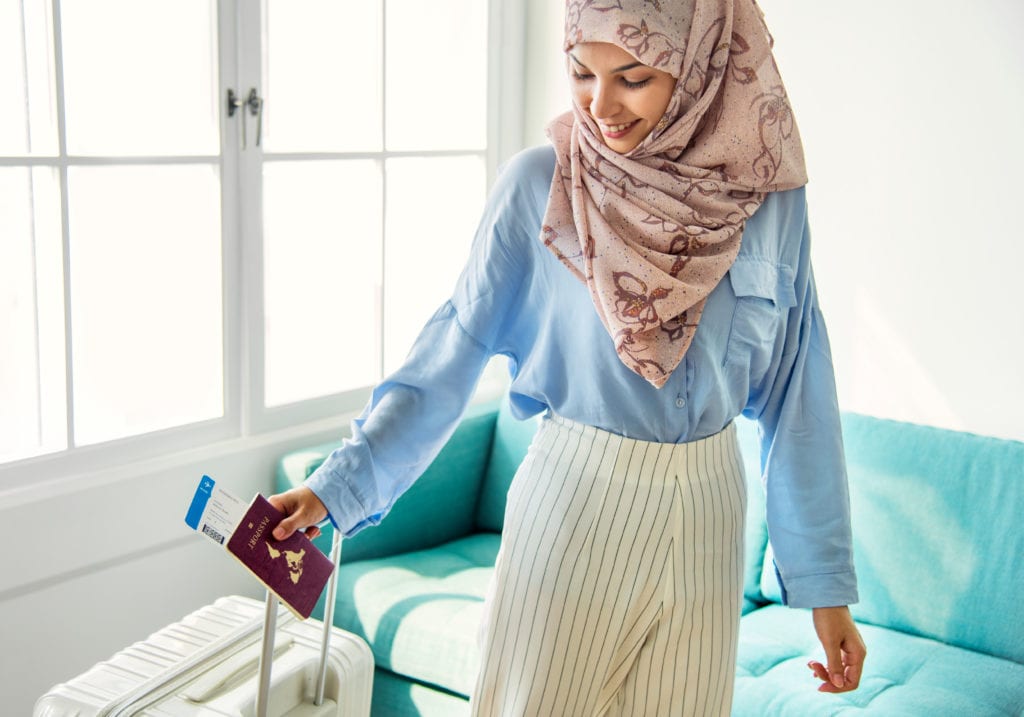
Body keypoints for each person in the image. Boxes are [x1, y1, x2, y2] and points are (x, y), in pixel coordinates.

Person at [269, 0, 867, 713]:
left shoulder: (767, 199)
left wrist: (826, 591)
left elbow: (800, 383)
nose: (600, 105)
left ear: (700, 63)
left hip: (712, 512)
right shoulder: (541, 186)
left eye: (635, 77)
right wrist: (340, 484)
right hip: (578, 503)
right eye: (582, 72)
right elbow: (455, 342)